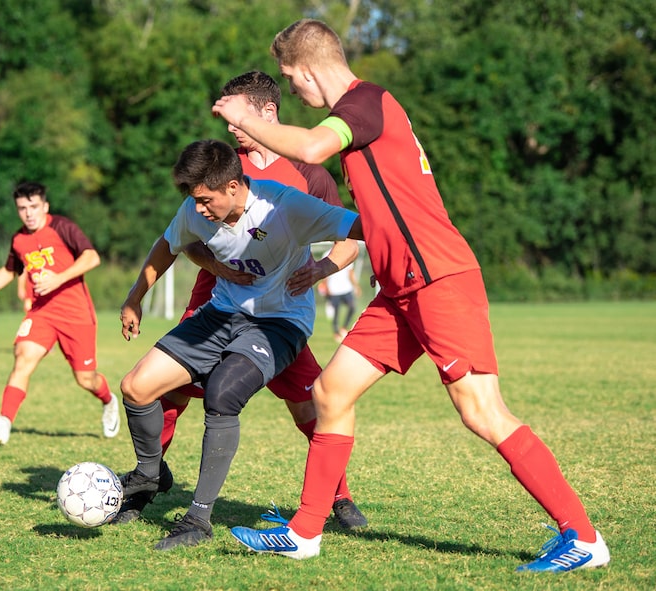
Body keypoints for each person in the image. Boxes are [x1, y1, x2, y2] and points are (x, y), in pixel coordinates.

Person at [213, 19, 609, 572]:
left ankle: (583, 537)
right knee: (330, 394)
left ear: (305, 69)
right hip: (401, 288)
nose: (293, 90)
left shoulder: (365, 103)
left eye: (289, 78)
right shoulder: (359, 110)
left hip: (438, 279)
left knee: (482, 411)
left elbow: (310, 146)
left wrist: (245, 117)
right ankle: (305, 533)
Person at [115, 71, 366, 531]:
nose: (230, 125)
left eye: (237, 113)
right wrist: (211, 271)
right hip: (216, 300)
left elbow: (348, 233)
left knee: (308, 406)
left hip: (278, 311)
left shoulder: (305, 177)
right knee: (162, 390)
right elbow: (183, 238)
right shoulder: (224, 168)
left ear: (267, 112)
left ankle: (338, 495)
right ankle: (147, 482)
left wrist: (324, 269)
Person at [0, 181, 120, 445]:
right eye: (22, 208)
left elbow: (92, 257)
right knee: (23, 356)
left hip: (76, 314)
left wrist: (59, 278)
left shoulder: (62, 227)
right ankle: (5, 421)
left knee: (85, 379)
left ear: (45, 206)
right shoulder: (19, 239)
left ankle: (108, 400)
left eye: (33, 207)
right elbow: (10, 271)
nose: (28, 213)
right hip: (42, 312)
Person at [319, 253, 360, 343]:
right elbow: (325, 272)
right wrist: (326, 285)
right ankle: (336, 333)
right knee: (336, 312)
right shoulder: (327, 254)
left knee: (352, 307)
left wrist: (356, 286)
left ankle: (344, 327)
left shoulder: (348, 251)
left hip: (346, 288)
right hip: (334, 289)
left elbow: (350, 272)